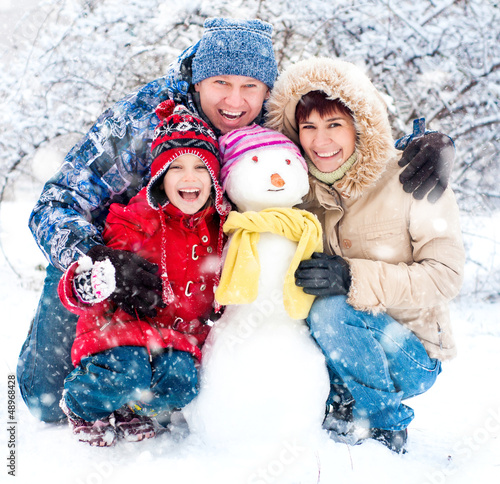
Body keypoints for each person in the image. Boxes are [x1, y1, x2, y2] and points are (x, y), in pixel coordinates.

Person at [17, 16, 454, 423]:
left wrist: (421, 145)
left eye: (250, 85)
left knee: (189, 375)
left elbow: (342, 140)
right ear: (197, 79)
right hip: (122, 260)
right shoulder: (145, 118)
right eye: (220, 83)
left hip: (200, 279)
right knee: (45, 402)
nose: (234, 100)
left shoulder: (269, 119)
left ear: (267, 90)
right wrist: (96, 258)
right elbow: (58, 200)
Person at [264, 57, 465, 453]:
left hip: (411, 352)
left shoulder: (412, 177)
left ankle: (384, 426)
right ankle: (336, 403)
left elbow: (445, 276)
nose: (321, 142)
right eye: (309, 127)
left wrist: (353, 277)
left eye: (335, 125)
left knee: (331, 309)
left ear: (361, 125)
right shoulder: (293, 189)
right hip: (339, 356)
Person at [57, 101, 231, 446]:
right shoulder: (135, 219)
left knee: (182, 382)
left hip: (174, 338)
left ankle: (133, 408)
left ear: (214, 178)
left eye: (201, 167)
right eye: (176, 167)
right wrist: (91, 282)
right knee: (128, 367)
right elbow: (87, 278)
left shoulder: (221, 227)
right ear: (160, 176)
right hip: (119, 332)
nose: (189, 177)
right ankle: (80, 404)